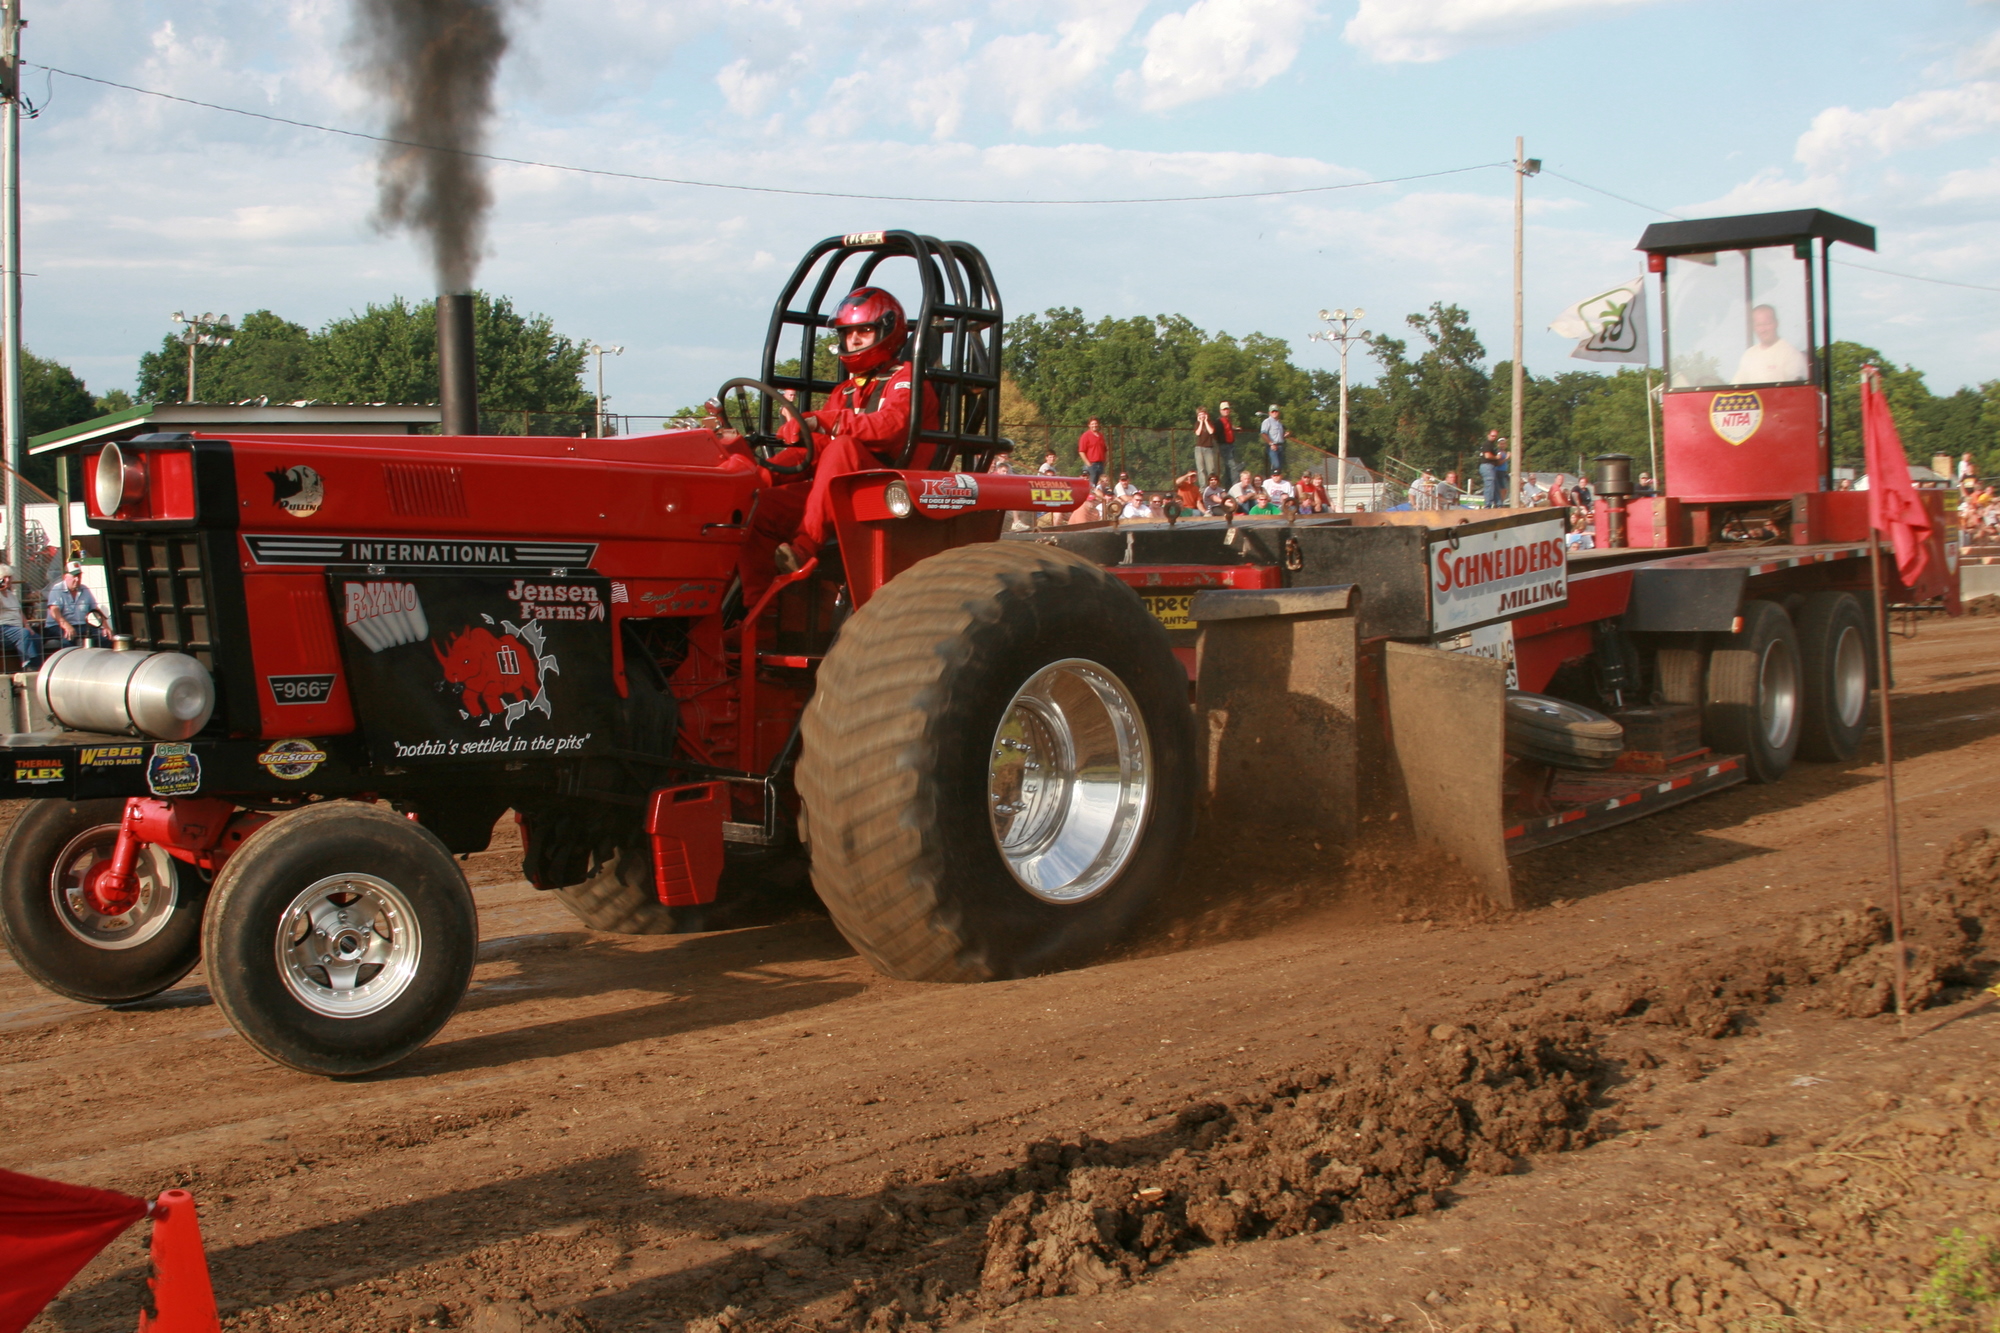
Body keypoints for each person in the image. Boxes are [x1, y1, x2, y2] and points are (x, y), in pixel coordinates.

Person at [735, 286, 940, 593]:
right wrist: (795, 438)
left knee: (841, 444)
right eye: (848, 332)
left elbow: (891, 427)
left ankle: (805, 545)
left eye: (864, 330)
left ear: (887, 331)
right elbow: (820, 449)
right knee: (757, 507)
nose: (853, 340)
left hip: (891, 485)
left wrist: (824, 420)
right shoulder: (844, 390)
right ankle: (761, 625)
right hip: (839, 489)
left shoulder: (906, 378)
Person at [1733, 304, 1809, 385]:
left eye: (1767, 324)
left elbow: (1795, 391)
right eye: (1758, 325)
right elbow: (1735, 387)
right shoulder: (1748, 355)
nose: (1762, 329)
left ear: (1776, 323)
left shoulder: (1790, 354)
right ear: (1753, 327)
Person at [46, 560, 102, 650]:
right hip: (57, 626)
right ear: (65, 577)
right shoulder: (57, 589)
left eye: (79, 576)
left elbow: (95, 610)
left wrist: (105, 626)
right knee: (68, 639)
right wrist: (67, 626)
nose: (77, 579)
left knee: (103, 637)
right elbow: (54, 611)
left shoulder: (85, 589)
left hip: (81, 625)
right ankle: (68, 663)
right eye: (74, 576)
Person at [0, 565, 40, 668]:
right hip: (4, 629)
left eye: (9, 577)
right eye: (4, 578)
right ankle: (27, 664)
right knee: (23, 633)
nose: (8, 580)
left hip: (16, 628)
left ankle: (38, 666)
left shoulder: (11, 595)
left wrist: (27, 626)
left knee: (36, 637)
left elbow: (19, 612)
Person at [1077, 418, 1108, 490]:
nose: (1094, 425)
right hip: (1091, 465)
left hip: (1100, 465)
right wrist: (1088, 464)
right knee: (1091, 486)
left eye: (1096, 423)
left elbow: (1105, 450)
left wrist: (1105, 461)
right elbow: (1081, 451)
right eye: (1092, 424)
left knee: (1100, 486)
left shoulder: (1101, 436)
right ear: (1089, 425)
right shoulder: (1085, 436)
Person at [1479, 430, 1505, 508]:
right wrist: (1496, 457)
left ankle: (1499, 504)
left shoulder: (1493, 446)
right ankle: (1487, 505)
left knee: (1495, 486)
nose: (1493, 437)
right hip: (1487, 466)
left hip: (1492, 467)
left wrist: (1505, 458)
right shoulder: (1487, 444)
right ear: (1488, 435)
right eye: (1492, 435)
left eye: (1495, 436)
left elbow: (1497, 462)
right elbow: (1487, 456)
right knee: (1489, 485)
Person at [1193, 408, 1219, 485]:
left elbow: (1211, 431)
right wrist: (1201, 422)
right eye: (1200, 414)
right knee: (1201, 469)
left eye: (1203, 414)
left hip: (1209, 448)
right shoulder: (1197, 424)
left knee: (1211, 469)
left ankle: (1212, 485)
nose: (1202, 416)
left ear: (1206, 414)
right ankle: (1203, 487)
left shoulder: (1210, 423)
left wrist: (1206, 421)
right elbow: (1197, 433)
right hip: (1199, 448)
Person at [1261, 405, 1287, 475]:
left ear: (1278, 413)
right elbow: (1263, 433)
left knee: (1280, 466)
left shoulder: (1279, 423)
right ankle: (1272, 482)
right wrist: (1271, 443)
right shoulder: (1267, 421)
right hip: (1273, 447)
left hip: (1280, 446)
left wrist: (1285, 436)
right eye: (1273, 411)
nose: (1274, 413)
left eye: (1276, 411)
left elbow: (1279, 436)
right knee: (1276, 466)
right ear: (1269, 413)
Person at [1216, 402, 1239, 480]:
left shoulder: (1228, 420)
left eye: (1227, 409)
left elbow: (1228, 428)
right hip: (1224, 445)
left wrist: (1235, 428)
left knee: (1228, 467)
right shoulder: (1219, 421)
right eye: (1224, 409)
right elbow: (1216, 433)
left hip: (1231, 444)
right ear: (1221, 411)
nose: (1226, 411)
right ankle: (1235, 485)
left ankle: (1228, 485)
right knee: (1233, 466)